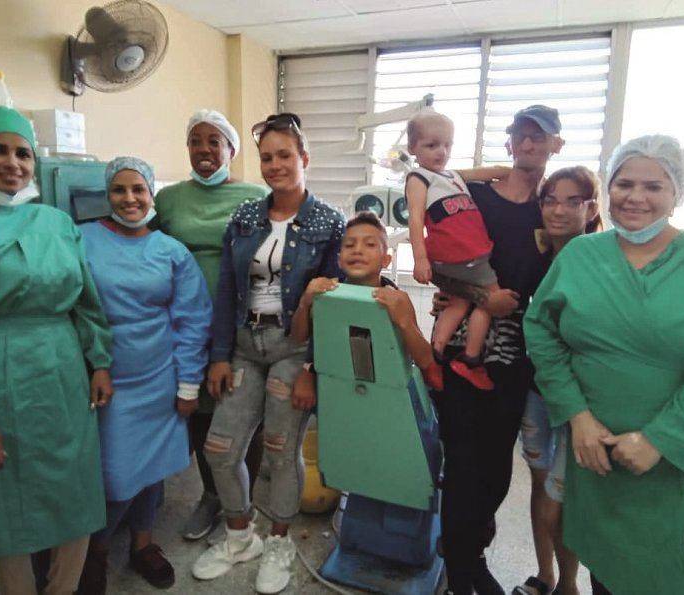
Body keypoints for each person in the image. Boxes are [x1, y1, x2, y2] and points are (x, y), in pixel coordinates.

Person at [523, 135, 684, 595]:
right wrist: (576, 416)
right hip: (597, 455)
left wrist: (662, 439)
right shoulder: (580, 256)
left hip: (681, 462)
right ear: (609, 189)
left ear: (677, 192)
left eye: (654, 186)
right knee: (606, 568)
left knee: (667, 575)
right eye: (624, 183)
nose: (636, 197)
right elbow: (540, 330)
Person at [0, 106, 113, 595]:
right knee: (3, 503)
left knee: (75, 493)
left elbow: (86, 299)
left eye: (23, 152)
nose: (12, 162)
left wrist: (99, 360)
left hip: (63, 370)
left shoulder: (57, 222)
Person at [191, 112, 345, 594]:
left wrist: (313, 370)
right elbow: (226, 288)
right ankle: (241, 537)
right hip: (243, 345)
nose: (275, 165)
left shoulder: (328, 223)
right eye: (267, 158)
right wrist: (219, 355)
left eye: (285, 156)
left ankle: (278, 541)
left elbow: (332, 306)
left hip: (293, 348)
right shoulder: (244, 218)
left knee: (280, 452)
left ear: (304, 160)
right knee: (220, 449)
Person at [433, 104, 563, 595]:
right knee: (464, 464)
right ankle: (464, 572)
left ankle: (469, 549)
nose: (529, 145)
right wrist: (481, 297)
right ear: (509, 142)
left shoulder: (553, 210)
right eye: (521, 136)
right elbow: (428, 185)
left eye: (539, 137)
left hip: (519, 359)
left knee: (496, 472)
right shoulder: (478, 197)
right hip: (467, 352)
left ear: (556, 144)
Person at [76, 157, 212, 594]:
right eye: (120, 189)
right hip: (108, 380)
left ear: (152, 196)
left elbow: (193, 321)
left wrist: (188, 384)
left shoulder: (171, 252)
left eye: (139, 189)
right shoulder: (81, 240)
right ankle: (94, 553)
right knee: (116, 476)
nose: (130, 198)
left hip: (161, 378)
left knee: (153, 470)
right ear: (107, 194)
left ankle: (143, 545)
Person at [154, 109, 269, 541]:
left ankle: (244, 497)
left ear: (231, 150)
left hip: (243, 320)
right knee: (201, 411)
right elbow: (146, 247)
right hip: (185, 323)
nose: (204, 149)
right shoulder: (168, 200)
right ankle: (212, 496)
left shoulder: (256, 196)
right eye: (195, 140)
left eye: (214, 141)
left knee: (243, 409)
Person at [512, 166, 602, 595]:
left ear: (592, 207)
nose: (558, 210)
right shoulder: (537, 253)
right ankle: (545, 574)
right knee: (537, 481)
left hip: (580, 397)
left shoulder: (604, 259)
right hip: (535, 386)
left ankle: (569, 585)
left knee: (559, 500)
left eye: (572, 201)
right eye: (550, 200)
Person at [405, 111, 502, 391]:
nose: (441, 152)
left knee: (459, 303)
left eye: (447, 145)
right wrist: (419, 259)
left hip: (466, 255)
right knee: (492, 301)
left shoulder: (452, 175)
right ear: (413, 148)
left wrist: (513, 173)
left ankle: (436, 350)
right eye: (431, 145)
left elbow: (490, 171)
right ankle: (471, 360)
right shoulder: (419, 178)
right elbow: (415, 219)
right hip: (463, 256)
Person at [291, 210, 433, 373]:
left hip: (387, 390)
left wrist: (405, 323)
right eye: (350, 245)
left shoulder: (398, 299)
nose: (357, 250)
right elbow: (299, 338)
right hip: (334, 386)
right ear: (339, 260)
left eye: (370, 244)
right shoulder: (327, 294)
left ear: (386, 260)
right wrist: (304, 303)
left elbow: (425, 360)